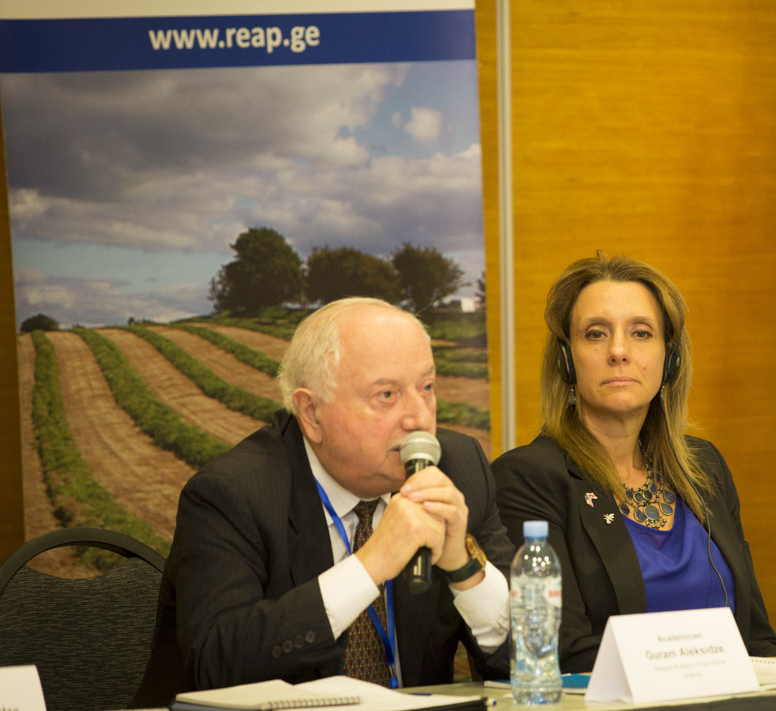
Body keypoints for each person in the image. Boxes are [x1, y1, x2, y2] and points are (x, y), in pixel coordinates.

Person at [134, 298, 513, 705]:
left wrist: (465, 566)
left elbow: (535, 660)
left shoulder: (455, 469)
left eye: (427, 388)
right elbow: (216, 663)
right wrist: (370, 565)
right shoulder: (232, 495)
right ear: (312, 413)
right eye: (387, 394)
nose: (419, 419)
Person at [492, 253, 776, 671]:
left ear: (671, 358)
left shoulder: (705, 467)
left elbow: (756, 638)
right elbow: (561, 650)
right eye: (596, 334)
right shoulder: (528, 478)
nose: (618, 351)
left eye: (641, 333)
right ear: (566, 360)